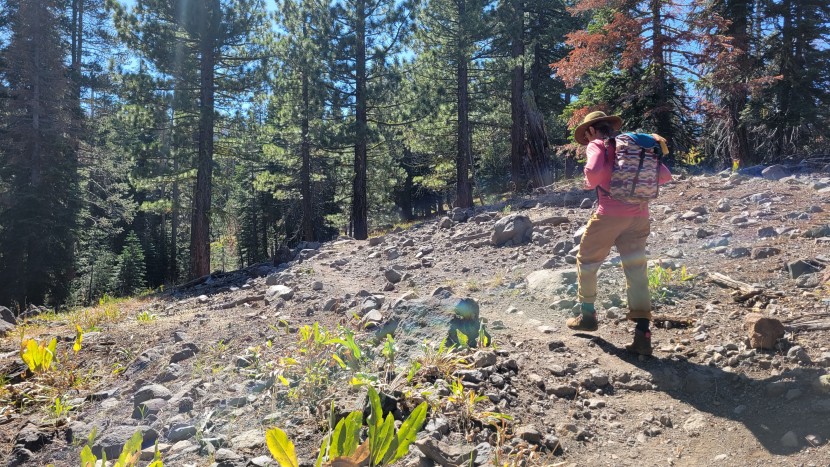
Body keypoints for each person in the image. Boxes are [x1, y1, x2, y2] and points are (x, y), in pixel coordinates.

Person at [566, 111, 672, 356]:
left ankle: (588, 315)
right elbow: (664, 176)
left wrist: (592, 180)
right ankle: (643, 332)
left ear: (592, 130)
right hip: (640, 216)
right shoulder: (635, 145)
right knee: (636, 269)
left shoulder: (597, 144)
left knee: (587, 259)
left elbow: (592, 174)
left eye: (587, 133)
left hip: (610, 214)